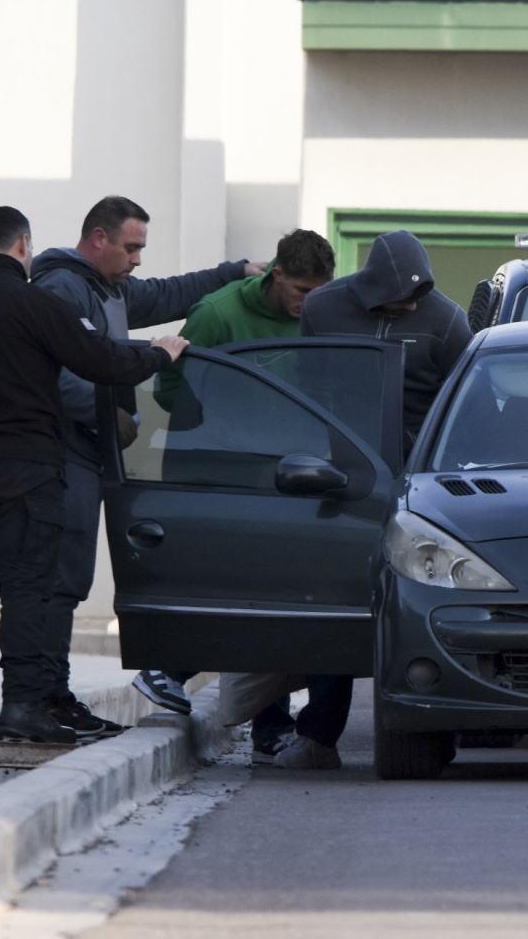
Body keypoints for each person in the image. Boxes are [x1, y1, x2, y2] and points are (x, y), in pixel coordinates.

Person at [0, 207, 188, 743]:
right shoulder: (36, 304)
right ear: (23, 246)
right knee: (27, 589)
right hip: (28, 472)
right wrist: (158, 357)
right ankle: (23, 705)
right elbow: (101, 362)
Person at [30, 196, 264, 735]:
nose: (138, 259)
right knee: (58, 581)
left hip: (88, 453)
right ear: (98, 239)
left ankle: (52, 695)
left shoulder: (107, 288)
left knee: (70, 580)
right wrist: (109, 415)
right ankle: (43, 697)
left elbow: (166, 293)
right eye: (131, 247)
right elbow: (56, 374)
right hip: (64, 453)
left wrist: (234, 272)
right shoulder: (64, 288)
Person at [129, 228, 335, 761]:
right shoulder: (217, 314)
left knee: (282, 595)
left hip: (293, 473)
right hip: (226, 471)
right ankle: (172, 666)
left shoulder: (321, 317)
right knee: (236, 585)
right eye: (301, 291)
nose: (309, 303)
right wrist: (217, 437)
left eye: (318, 292)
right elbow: (172, 387)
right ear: (276, 275)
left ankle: (270, 727)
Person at [276, 229, 470, 770]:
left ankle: (436, 724)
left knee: (421, 601)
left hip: (419, 486)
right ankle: (317, 736)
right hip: (344, 482)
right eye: (404, 296)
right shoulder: (323, 308)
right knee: (334, 600)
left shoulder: (447, 321)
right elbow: (310, 387)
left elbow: (464, 404)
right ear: (373, 288)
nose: (413, 306)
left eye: (421, 294)